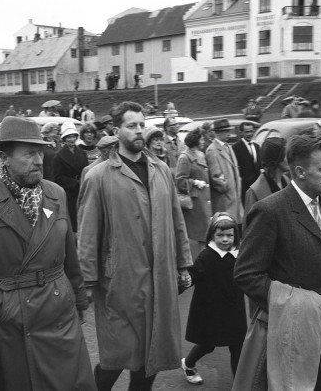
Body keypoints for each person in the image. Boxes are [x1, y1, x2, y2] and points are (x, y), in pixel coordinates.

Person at [0, 116, 95, 390]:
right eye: (29, 153)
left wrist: (77, 300)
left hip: (58, 314)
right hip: (8, 325)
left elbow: (69, 256)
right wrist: (0, 307)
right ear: (3, 157)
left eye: (40, 151)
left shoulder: (56, 194)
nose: (39, 160)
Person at [77, 101, 193, 391]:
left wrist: (183, 264)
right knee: (117, 356)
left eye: (142, 124)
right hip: (122, 281)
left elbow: (177, 220)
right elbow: (88, 234)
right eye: (132, 125)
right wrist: (88, 282)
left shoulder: (161, 170)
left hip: (160, 278)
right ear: (117, 131)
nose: (139, 130)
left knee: (153, 353)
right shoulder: (98, 177)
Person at [235, 134, 321, 390]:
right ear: (300, 172)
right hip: (292, 331)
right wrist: (295, 304)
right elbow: (246, 274)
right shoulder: (270, 210)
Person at [182, 212, 247, 385]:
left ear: (236, 236)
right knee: (207, 344)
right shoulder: (207, 256)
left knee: (237, 346)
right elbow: (194, 273)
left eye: (229, 235)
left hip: (233, 310)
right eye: (220, 235)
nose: (225, 239)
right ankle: (188, 364)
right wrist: (187, 279)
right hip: (211, 310)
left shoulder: (239, 255)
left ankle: (238, 385)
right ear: (212, 235)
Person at [175, 128, 212, 257]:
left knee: (206, 235)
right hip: (195, 204)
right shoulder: (184, 157)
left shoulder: (200, 154)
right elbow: (179, 181)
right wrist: (194, 182)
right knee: (200, 236)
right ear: (195, 140)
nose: (203, 141)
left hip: (205, 201)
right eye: (201, 139)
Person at [206, 119, 243, 225]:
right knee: (225, 228)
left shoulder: (228, 147)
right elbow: (215, 177)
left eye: (228, 131)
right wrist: (226, 186)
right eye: (226, 131)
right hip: (224, 201)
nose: (229, 134)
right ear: (217, 133)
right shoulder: (212, 150)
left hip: (234, 198)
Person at [243, 137, 290, 221]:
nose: (290, 158)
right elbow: (250, 229)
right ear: (277, 159)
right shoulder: (254, 192)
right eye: (286, 155)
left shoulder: (288, 182)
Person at [53, 121, 88, 232]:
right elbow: (56, 178)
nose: (71, 139)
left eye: (73, 136)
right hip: (69, 194)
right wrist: (74, 182)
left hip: (83, 190)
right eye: (68, 137)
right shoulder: (58, 156)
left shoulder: (82, 153)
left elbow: (86, 170)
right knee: (72, 223)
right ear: (64, 139)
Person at [232, 122, 261, 204]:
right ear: (241, 133)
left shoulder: (257, 146)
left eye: (251, 131)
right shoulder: (236, 148)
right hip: (245, 188)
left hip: (258, 186)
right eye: (247, 132)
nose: (249, 134)